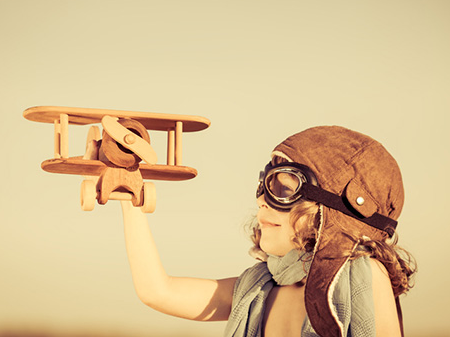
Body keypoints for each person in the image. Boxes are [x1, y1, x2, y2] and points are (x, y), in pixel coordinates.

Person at [119, 126, 416, 337]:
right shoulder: (260, 286)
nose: (261, 200)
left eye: (283, 188)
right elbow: (157, 291)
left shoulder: (365, 275)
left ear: (334, 213)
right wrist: (130, 196)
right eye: (263, 186)